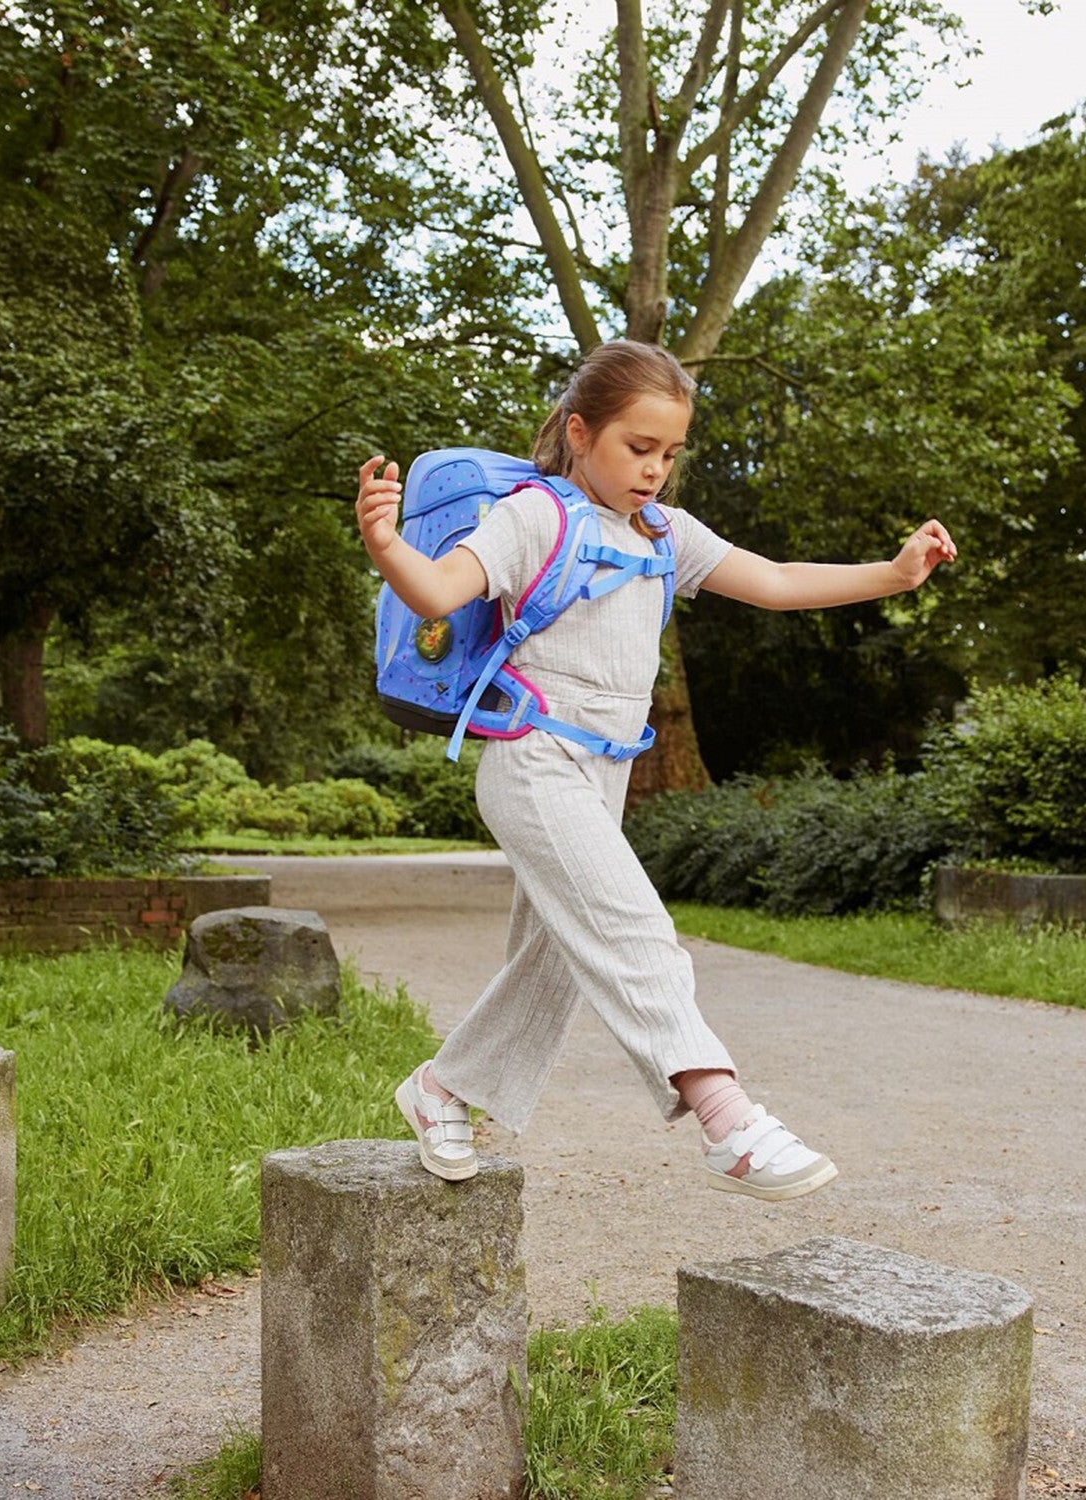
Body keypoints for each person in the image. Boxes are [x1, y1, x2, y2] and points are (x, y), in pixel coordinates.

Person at [356, 339, 956, 1202]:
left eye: (670, 453)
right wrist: (385, 546)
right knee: (635, 931)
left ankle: (443, 1089)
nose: (655, 470)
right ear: (580, 433)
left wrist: (893, 576)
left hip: (604, 773)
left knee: (555, 961)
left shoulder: (668, 534)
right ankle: (725, 1116)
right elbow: (440, 591)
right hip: (534, 762)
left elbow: (776, 580)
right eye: (638, 448)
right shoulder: (535, 517)